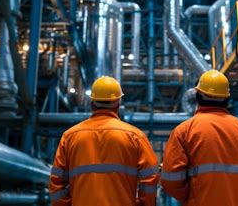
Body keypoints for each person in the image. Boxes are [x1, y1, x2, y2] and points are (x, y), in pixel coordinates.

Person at [161, 70, 238, 206]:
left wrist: (190, 198)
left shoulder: (184, 131)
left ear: (197, 97)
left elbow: (171, 180)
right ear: (227, 99)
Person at [49, 76, 160, 206]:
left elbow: (56, 183)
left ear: (91, 103)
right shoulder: (135, 137)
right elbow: (150, 177)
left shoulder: (69, 137)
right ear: (118, 104)